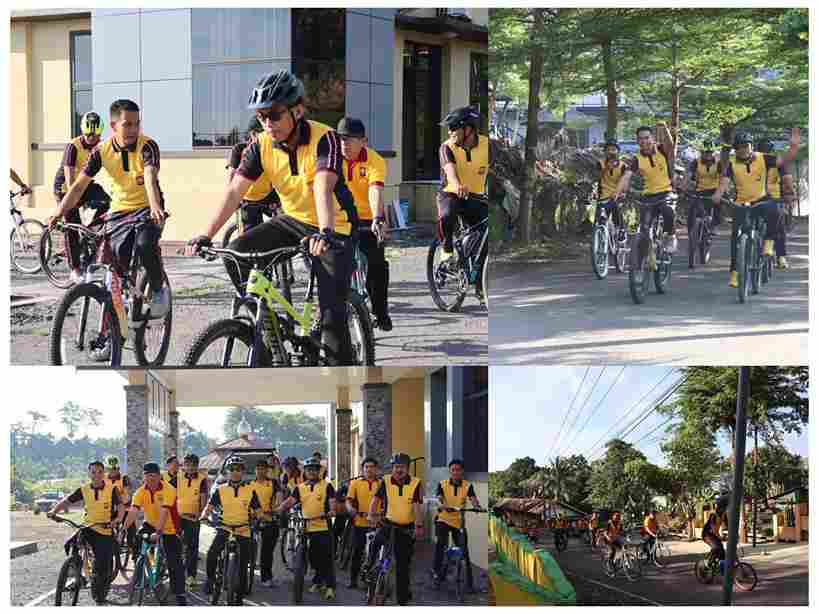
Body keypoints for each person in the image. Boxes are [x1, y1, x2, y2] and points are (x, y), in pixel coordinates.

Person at [186, 70, 359, 366]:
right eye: (262, 117)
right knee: (236, 253)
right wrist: (206, 233)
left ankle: (343, 374)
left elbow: (323, 186)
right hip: (293, 219)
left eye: (275, 115)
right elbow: (234, 192)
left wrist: (326, 232)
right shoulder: (261, 144)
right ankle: (266, 327)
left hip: (335, 226)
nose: (267, 123)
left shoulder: (324, 138)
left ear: (297, 110)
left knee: (333, 316)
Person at [50, 99, 170, 318]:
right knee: (111, 266)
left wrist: (155, 207)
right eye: (127, 124)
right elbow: (78, 187)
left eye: (136, 124)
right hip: (119, 211)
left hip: (147, 208)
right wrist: (58, 213)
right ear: (114, 126)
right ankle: (112, 329)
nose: (133, 129)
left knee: (144, 245)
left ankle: (158, 288)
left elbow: (151, 178)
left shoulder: (148, 146)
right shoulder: (101, 151)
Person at [712, 128, 800, 287]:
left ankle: (769, 242)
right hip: (741, 203)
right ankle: (734, 272)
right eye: (739, 147)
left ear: (751, 146)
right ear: (736, 149)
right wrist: (718, 194)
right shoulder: (731, 164)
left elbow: (784, 160)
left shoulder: (764, 158)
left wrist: (793, 147)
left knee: (776, 210)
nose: (743, 150)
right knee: (735, 238)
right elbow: (724, 183)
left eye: (746, 146)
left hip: (762, 199)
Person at [337, 117, 392, 331]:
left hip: (369, 217)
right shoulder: (332, 159)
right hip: (339, 218)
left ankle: (380, 312)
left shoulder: (375, 160)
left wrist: (378, 218)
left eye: (350, 139)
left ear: (364, 141)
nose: (344, 144)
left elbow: (375, 190)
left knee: (377, 265)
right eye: (341, 139)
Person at [48, 460, 125, 605]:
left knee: (102, 565)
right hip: (88, 526)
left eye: (100, 472)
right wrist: (54, 511)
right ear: (89, 473)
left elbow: (120, 506)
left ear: (104, 473)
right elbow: (67, 501)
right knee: (71, 542)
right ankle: (75, 570)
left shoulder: (111, 489)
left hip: (104, 529)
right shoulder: (84, 489)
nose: (96, 475)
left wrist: (118, 519)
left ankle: (99, 592)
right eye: (93, 472)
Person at [53, 111, 112, 284]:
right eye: (89, 135)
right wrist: (75, 201)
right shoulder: (73, 146)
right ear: (83, 132)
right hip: (65, 187)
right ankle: (75, 268)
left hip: (84, 184)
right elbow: (70, 178)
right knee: (72, 223)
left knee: (108, 203)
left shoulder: (100, 147)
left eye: (96, 135)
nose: (92, 138)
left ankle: (88, 231)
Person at [122, 462, 187, 605]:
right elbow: (133, 511)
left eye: (153, 475)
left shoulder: (169, 489)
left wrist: (158, 532)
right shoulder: (140, 492)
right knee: (138, 541)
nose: (150, 478)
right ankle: (140, 575)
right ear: (144, 477)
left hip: (170, 527)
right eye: (147, 475)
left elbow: (165, 513)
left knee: (174, 561)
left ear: (159, 476)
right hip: (150, 523)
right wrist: (124, 528)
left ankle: (179, 592)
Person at [201, 456, 261, 604]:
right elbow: (209, 507)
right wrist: (203, 516)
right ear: (227, 472)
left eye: (239, 469)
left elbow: (258, 509)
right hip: (225, 527)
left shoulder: (250, 489)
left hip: (243, 529)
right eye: (232, 469)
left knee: (243, 566)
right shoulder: (221, 490)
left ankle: (239, 597)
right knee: (212, 554)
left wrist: (260, 518)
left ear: (243, 472)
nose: (235, 472)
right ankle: (210, 580)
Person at [613, 123, 678, 255]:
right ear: (637, 141)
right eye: (641, 139)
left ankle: (670, 236)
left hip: (666, 192)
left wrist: (664, 129)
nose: (644, 141)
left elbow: (670, 144)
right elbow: (626, 176)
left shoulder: (662, 150)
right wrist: (616, 192)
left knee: (668, 211)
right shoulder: (637, 159)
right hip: (648, 196)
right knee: (644, 227)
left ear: (653, 139)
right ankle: (643, 258)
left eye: (647, 137)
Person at [368, 452, 424, 605]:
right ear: (392, 468)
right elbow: (376, 499)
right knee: (375, 543)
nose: (399, 470)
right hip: (387, 523)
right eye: (396, 467)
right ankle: (368, 568)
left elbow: (417, 506)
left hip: (406, 528)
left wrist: (419, 525)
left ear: (408, 468)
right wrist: (371, 515)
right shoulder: (385, 481)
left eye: (403, 467)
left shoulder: (415, 482)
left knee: (403, 564)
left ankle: (402, 597)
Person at [278, 457, 337, 599]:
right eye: (309, 469)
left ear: (318, 471)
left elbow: (332, 502)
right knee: (313, 558)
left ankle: (330, 586)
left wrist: (332, 510)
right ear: (305, 471)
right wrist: (278, 510)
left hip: (323, 527)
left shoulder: (326, 486)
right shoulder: (300, 487)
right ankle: (318, 581)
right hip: (306, 527)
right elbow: (290, 502)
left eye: (314, 469)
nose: (311, 472)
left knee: (326, 558)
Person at [437, 106, 489, 263]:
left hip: (476, 197)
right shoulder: (447, 147)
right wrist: (457, 185)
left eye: (453, 128)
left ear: (469, 129)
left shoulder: (487, 146)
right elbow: (449, 170)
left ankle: (477, 274)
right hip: (451, 193)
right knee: (446, 216)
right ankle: (446, 249)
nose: (449, 132)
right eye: (449, 128)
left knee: (486, 231)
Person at [226, 116, 281, 236]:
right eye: (258, 135)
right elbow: (231, 175)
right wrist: (233, 200)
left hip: (267, 195)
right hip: (246, 198)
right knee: (249, 235)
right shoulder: (239, 149)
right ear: (251, 135)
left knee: (285, 219)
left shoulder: (270, 148)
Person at [433, 459, 481, 591]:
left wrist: (477, 506)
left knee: (464, 551)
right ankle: (437, 573)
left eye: (458, 470)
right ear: (450, 471)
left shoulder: (467, 485)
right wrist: (444, 505)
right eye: (453, 470)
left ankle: (470, 585)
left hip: (458, 522)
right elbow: (439, 498)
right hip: (443, 519)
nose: (455, 472)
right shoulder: (442, 484)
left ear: (462, 471)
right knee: (440, 544)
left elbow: (473, 498)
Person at [756, 138, 794, 269]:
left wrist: (788, 194)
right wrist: (789, 195)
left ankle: (780, 256)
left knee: (779, 226)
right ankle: (781, 257)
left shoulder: (755, 161)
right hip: (770, 198)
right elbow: (787, 181)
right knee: (779, 227)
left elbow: (787, 180)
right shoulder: (777, 162)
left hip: (767, 198)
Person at [345, 456, 382, 588]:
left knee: (376, 553)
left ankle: (376, 579)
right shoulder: (355, 483)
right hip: (360, 522)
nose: (369, 469)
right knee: (357, 551)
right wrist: (350, 509)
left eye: (372, 467)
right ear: (362, 469)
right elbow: (348, 500)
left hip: (377, 523)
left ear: (376, 469)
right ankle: (353, 580)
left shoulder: (382, 484)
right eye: (366, 467)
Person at [176, 453, 209, 589]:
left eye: (193, 465)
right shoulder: (177, 477)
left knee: (192, 548)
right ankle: (175, 573)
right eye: (187, 464)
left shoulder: (202, 479)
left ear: (197, 466)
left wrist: (200, 514)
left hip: (192, 518)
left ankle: (191, 576)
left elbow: (203, 499)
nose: (190, 467)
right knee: (174, 545)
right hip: (177, 517)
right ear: (183, 465)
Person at [250, 459, 283, 588]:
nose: (260, 471)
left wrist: (277, 508)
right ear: (255, 470)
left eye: (263, 468)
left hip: (269, 517)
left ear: (267, 470)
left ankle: (266, 576)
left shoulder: (273, 483)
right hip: (253, 518)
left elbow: (279, 497)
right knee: (245, 545)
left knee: (267, 550)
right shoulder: (249, 484)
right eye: (258, 468)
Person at [686, 139, 723, 241]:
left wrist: (721, 191)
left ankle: (714, 225)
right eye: (705, 152)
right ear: (701, 152)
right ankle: (691, 232)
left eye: (710, 152)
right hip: (700, 189)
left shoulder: (718, 163)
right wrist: (684, 185)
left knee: (717, 204)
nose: (707, 155)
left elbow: (722, 178)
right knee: (692, 209)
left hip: (714, 189)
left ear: (713, 152)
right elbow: (688, 175)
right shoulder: (695, 162)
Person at [595, 139, 627, 240]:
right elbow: (597, 177)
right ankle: (600, 243)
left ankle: (620, 231)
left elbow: (625, 181)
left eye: (613, 149)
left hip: (616, 196)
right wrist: (606, 168)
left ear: (618, 151)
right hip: (603, 196)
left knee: (617, 213)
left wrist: (623, 192)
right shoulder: (600, 163)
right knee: (600, 220)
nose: (611, 152)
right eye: (608, 150)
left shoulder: (623, 166)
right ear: (605, 152)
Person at [105, 455, 135, 557]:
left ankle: (134, 552)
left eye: (115, 468)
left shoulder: (124, 479)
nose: (113, 471)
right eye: (110, 469)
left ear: (118, 468)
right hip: (110, 508)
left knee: (131, 529)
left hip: (125, 507)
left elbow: (127, 493)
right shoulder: (104, 479)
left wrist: (120, 498)